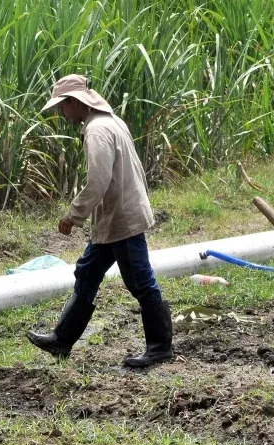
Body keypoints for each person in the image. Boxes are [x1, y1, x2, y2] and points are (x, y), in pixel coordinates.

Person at [26, 75, 173, 368]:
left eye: (62, 108)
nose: (61, 114)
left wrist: (74, 215)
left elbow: (98, 181)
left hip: (122, 219)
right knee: (87, 271)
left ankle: (160, 348)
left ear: (74, 103)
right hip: (113, 218)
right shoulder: (111, 121)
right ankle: (62, 340)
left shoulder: (97, 131)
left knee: (140, 282)